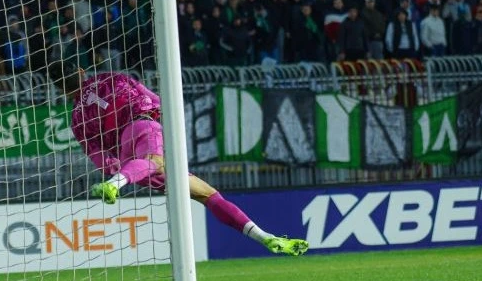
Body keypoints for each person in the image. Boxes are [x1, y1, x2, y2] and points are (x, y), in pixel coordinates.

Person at [47, 61, 308, 256]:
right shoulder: (111, 78)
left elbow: (100, 158)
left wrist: (121, 169)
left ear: (59, 88)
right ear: (82, 71)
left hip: (130, 162)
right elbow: (155, 100)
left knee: (207, 194)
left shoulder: (77, 119)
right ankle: (116, 184)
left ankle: (267, 237)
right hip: (144, 129)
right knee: (157, 162)